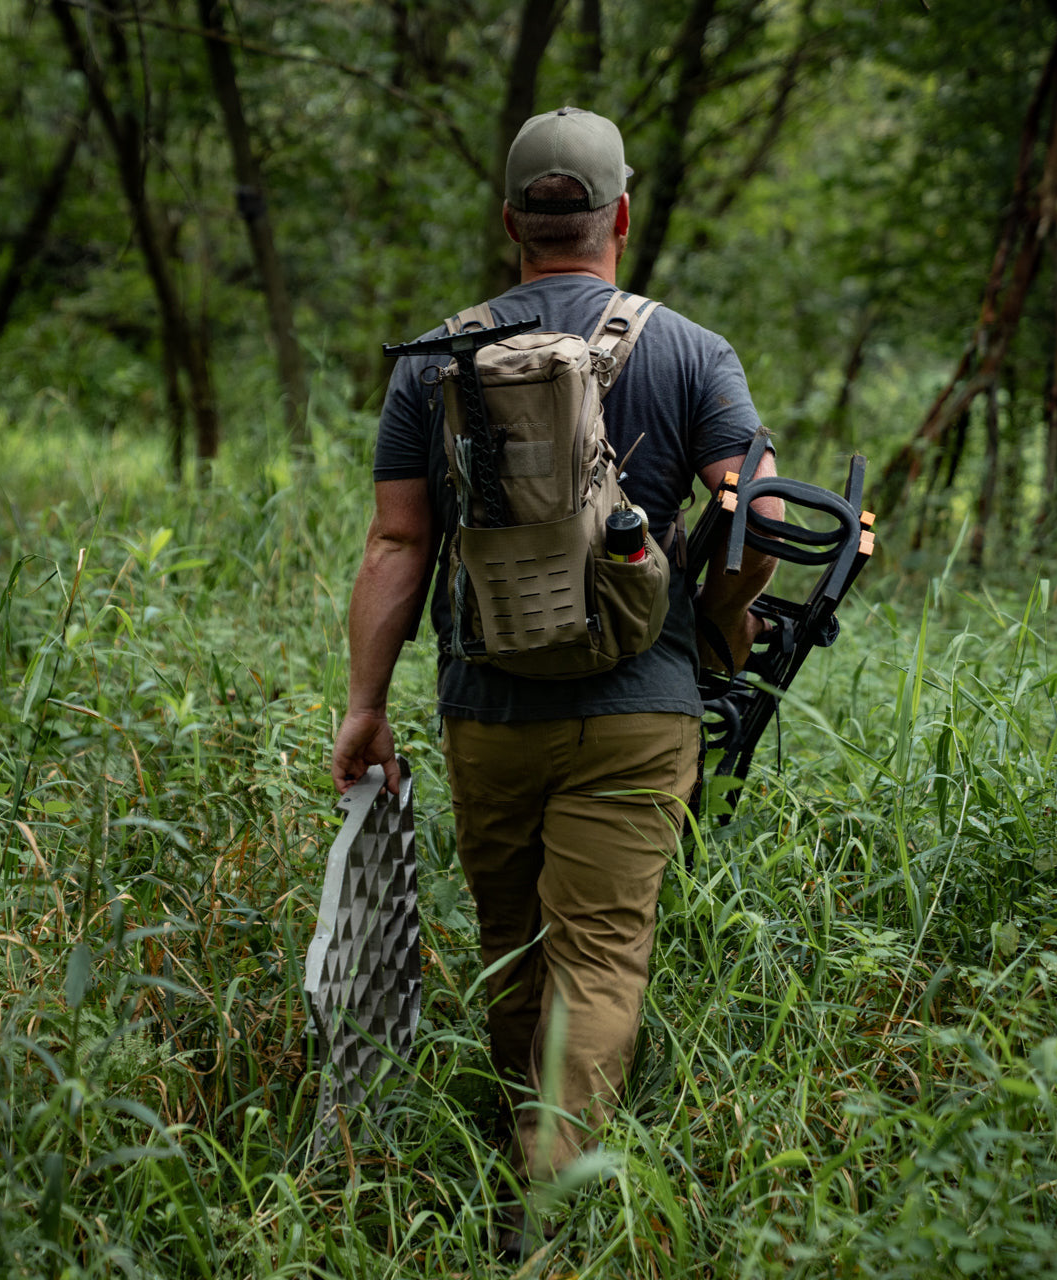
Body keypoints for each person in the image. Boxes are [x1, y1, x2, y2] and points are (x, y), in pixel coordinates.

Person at [331, 105, 780, 1249]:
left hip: (487, 708)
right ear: (617, 212)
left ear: (511, 221)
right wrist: (718, 625)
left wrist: (365, 705)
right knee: (599, 955)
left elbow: (396, 544)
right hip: (640, 710)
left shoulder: (434, 358)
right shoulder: (687, 350)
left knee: (514, 943)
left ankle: (513, 1158)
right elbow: (758, 517)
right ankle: (547, 1214)